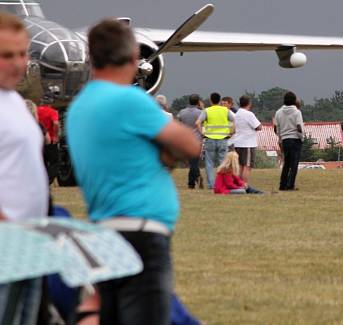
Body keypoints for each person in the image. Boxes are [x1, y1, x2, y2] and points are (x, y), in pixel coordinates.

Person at [65, 18, 201, 324]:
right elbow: (190, 145)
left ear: (91, 58)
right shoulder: (131, 100)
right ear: (132, 58)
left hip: (103, 231)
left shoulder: (79, 108)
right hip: (141, 232)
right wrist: (165, 154)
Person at [0, 12, 50, 325]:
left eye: (23, 54)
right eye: (6, 55)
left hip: (30, 245)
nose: (18, 63)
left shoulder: (15, 101)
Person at [195, 92, 236, 188]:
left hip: (210, 139)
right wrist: (231, 132)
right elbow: (235, 119)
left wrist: (202, 133)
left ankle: (211, 185)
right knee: (223, 163)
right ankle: (223, 183)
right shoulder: (225, 111)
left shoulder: (207, 111)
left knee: (209, 163)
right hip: (223, 139)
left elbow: (197, 123)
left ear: (211, 100)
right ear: (219, 100)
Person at [273, 91, 304, 191]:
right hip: (295, 139)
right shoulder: (297, 112)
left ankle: (282, 184)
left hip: (285, 140)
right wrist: (301, 136)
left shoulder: (278, 112)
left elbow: (277, 128)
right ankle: (290, 185)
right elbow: (299, 126)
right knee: (294, 164)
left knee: (286, 163)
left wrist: (280, 138)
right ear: (294, 101)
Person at [230, 95, 263, 185]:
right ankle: (243, 184)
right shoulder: (249, 114)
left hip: (237, 143)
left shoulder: (237, 114)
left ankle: (237, 183)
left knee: (240, 166)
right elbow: (258, 126)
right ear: (249, 103)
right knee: (247, 166)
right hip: (248, 144)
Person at [176, 94, 204, 189]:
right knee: (194, 162)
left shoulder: (182, 112)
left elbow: (179, 123)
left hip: (186, 139)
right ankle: (195, 178)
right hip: (197, 139)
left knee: (192, 162)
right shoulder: (200, 112)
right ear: (197, 102)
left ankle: (192, 182)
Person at [37, 100, 60, 181]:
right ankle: (47, 180)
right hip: (50, 140)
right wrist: (56, 136)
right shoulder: (52, 111)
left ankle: (41, 180)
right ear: (50, 102)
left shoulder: (35, 110)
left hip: (38, 141)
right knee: (55, 162)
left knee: (42, 162)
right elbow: (56, 123)